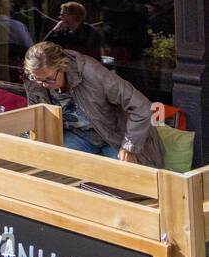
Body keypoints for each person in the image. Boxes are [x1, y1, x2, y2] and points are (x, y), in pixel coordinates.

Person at [23, 41, 163, 167]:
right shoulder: (35, 83)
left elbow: (142, 106)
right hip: (77, 135)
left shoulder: (92, 73)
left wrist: (129, 146)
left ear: (63, 66)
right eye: (37, 79)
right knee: (50, 164)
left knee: (127, 177)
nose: (44, 85)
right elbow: (37, 119)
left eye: (49, 79)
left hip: (115, 136)